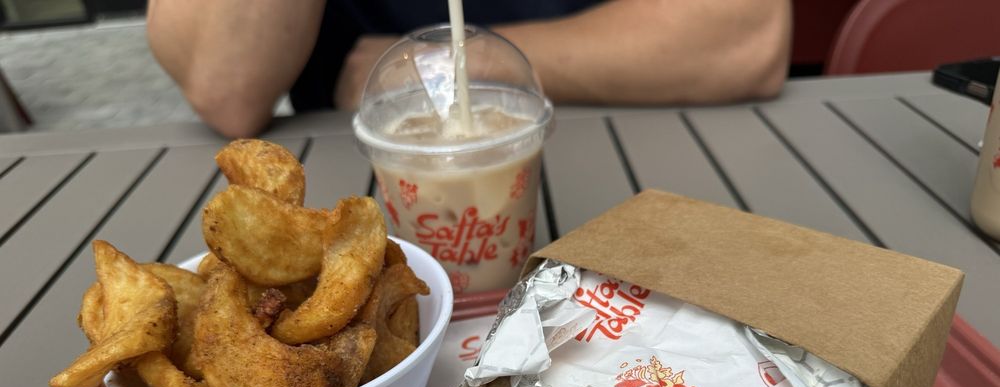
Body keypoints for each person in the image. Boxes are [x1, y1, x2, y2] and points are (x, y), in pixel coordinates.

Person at [147, 0, 792, 139]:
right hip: (348, 169)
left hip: (629, 147)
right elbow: (226, 84)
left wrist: (444, 64)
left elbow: (744, 34)